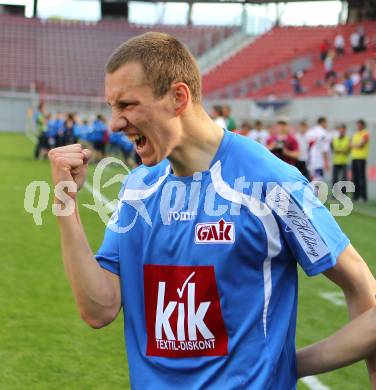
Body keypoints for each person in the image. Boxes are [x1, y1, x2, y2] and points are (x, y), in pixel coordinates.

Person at [48, 32, 376, 389]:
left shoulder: (271, 183)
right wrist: (66, 204)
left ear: (178, 97)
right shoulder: (137, 190)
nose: (114, 123)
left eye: (127, 105)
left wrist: (292, 363)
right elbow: (99, 309)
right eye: (112, 107)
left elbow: (360, 284)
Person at [306, 117, 330, 181]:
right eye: (326, 123)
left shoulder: (310, 131)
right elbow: (325, 149)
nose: (327, 125)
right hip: (319, 160)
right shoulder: (324, 133)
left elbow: (308, 144)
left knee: (312, 179)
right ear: (323, 122)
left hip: (310, 159)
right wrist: (326, 161)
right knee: (319, 179)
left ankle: (312, 190)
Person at [351, 119, 370, 202]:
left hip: (361, 158)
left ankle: (363, 196)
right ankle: (356, 196)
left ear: (362, 125)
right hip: (354, 157)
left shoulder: (365, 133)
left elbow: (360, 145)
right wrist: (354, 144)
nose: (357, 126)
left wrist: (353, 144)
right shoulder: (355, 134)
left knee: (361, 178)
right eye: (357, 125)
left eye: (359, 125)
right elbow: (350, 143)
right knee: (355, 178)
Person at [331, 124, 350, 193]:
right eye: (340, 129)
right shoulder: (335, 139)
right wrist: (342, 150)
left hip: (344, 161)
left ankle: (343, 193)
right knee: (334, 179)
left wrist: (339, 150)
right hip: (336, 161)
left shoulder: (347, 139)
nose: (341, 131)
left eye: (343, 129)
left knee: (344, 179)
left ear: (345, 130)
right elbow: (334, 149)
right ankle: (335, 193)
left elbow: (347, 150)